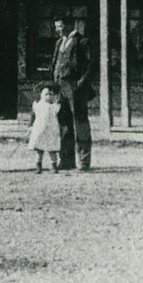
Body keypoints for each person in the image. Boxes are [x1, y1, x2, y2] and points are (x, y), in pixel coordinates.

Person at [50, 13, 95, 170]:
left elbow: (90, 67)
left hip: (75, 89)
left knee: (80, 122)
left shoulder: (82, 42)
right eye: (56, 27)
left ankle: (83, 161)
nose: (58, 30)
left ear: (70, 26)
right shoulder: (58, 43)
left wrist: (79, 86)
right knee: (64, 123)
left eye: (60, 27)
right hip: (59, 89)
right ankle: (67, 161)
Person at [27, 82, 70, 173]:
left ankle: (53, 166)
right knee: (39, 149)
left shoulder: (56, 106)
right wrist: (30, 125)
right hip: (40, 129)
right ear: (41, 95)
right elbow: (33, 116)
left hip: (52, 130)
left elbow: (60, 117)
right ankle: (38, 166)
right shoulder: (37, 105)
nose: (48, 96)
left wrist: (63, 126)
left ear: (54, 96)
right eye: (46, 94)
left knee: (52, 149)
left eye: (51, 94)